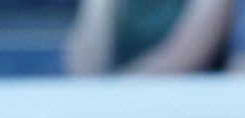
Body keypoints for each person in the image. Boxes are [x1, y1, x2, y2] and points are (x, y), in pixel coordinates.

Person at [66, 0, 231, 74]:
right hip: (119, 108)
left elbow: (188, 56)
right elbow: (83, 67)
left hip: (190, 114)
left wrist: (112, 94)